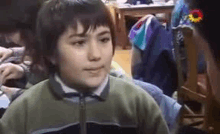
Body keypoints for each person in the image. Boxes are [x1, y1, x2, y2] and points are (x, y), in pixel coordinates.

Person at [0, 0, 169, 133]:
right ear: (51, 53)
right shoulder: (23, 113)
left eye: (104, 39)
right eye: (79, 43)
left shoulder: (138, 103)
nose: (95, 55)